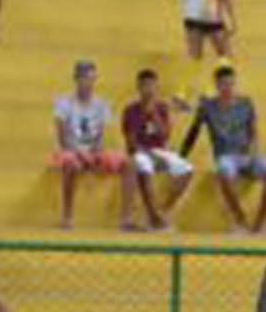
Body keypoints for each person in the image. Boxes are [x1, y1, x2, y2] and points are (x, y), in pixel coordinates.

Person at [180, 65, 266, 233]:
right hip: (226, 156)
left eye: (231, 84)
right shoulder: (207, 107)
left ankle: (260, 223)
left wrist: (254, 150)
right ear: (217, 85)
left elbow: (253, 130)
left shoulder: (246, 103)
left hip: (247, 153)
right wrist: (182, 155)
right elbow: (193, 131)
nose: (228, 88)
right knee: (224, 172)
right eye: (223, 84)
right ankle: (240, 219)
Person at [51, 60, 125, 230]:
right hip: (69, 150)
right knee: (71, 164)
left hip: (93, 150)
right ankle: (67, 215)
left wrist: (96, 152)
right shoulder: (64, 102)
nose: (88, 83)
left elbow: (104, 134)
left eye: (92, 78)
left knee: (128, 163)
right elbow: (62, 136)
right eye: (84, 78)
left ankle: (125, 218)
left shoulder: (102, 104)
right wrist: (78, 152)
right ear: (76, 79)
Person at [121, 67, 195, 230]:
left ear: (156, 87)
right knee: (144, 166)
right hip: (139, 151)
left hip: (159, 150)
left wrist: (154, 115)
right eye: (144, 85)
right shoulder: (131, 110)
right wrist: (148, 153)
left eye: (151, 86)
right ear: (138, 88)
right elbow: (131, 142)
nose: (148, 90)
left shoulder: (161, 108)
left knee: (187, 170)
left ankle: (161, 212)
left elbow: (165, 135)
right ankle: (154, 217)